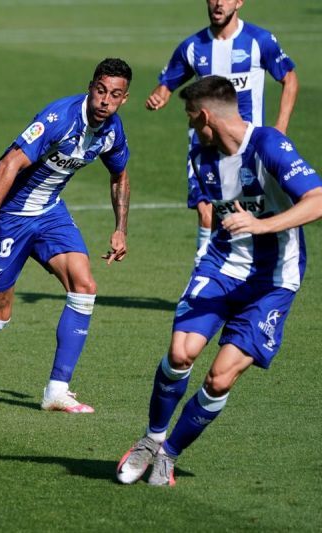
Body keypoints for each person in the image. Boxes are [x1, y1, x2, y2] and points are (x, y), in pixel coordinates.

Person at [116, 75, 322, 487]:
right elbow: (213, 212)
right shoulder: (202, 157)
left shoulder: (269, 145)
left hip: (274, 281)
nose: (191, 127)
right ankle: (151, 439)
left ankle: (169, 455)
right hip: (222, 267)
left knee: (220, 377)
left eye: (192, 119)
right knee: (180, 353)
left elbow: (317, 199)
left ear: (207, 115)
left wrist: (262, 226)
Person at [0, 58, 132, 413]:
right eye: (100, 91)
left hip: (50, 214)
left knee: (84, 287)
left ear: (123, 99)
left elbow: (120, 175)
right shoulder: (59, 118)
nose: (105, 101)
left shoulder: (113, 130)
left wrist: (120, 229)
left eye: (114, 95)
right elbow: (9, 164)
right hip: (7, 217)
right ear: (90, 87)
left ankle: (57, 389)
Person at [145, 0, 298, 264]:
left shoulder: (259, 41)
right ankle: (203, 266)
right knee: (206, 210)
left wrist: (280, 127)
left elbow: (289, 78)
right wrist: (161, 95)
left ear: (239, 2)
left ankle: (258, 268)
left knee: (256, 209)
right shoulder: (193, 46)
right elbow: (167, 82)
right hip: (203, 145)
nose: (218, 3)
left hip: (249, 146)